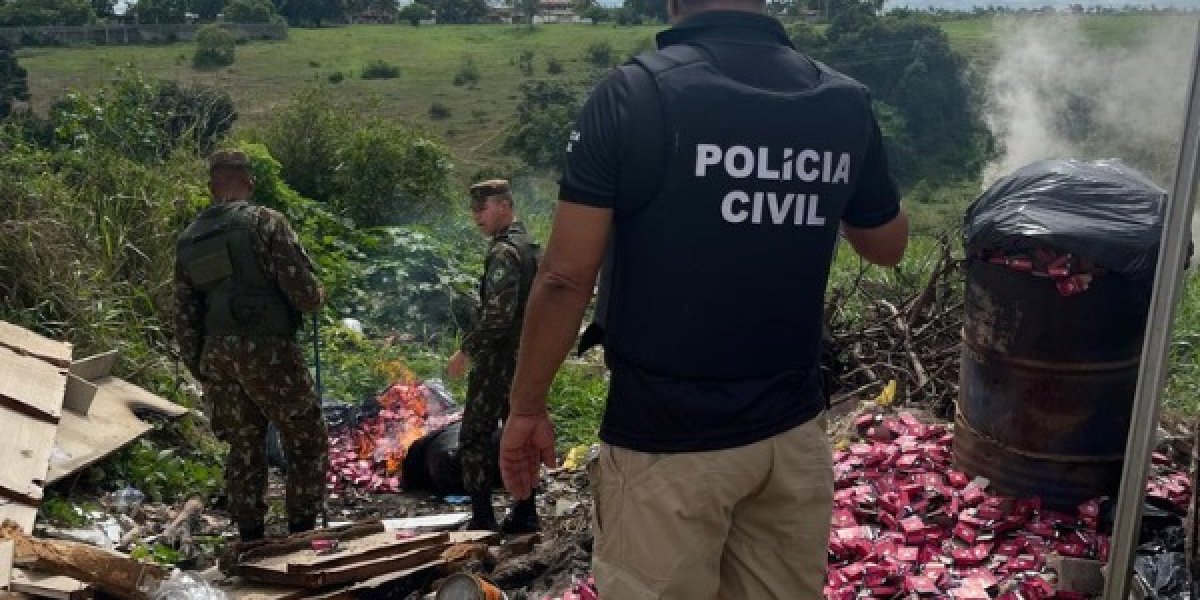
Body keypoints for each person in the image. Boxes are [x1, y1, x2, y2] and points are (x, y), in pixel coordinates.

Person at [497, 0, 909, 595]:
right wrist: (807, 179)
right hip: (790, 436)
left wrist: (528, 408)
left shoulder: (632, 96)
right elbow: (888, 245)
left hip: (666, 439)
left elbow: (564, 277)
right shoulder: (843, 101)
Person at [174, 150, 328, 542]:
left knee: (243, 446)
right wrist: (314, 295)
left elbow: (185, 314)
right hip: (267, 349)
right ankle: (301, 532)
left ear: (211, 187)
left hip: (217, 356)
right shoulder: (264, 222)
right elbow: (305, 293)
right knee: (305, 436)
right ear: (249, 182)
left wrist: (201, 366)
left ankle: (250, 536)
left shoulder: (190, 239)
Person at [447, 179, 541, 533]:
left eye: (481, 209)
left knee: (474, 434)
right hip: (526, 357)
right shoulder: (529, 245)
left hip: (498, 360)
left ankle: (483, 516)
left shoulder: (504, 252)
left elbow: (498, 315)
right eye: (473, 210)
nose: (476, 217)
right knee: (518, 432)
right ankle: (525, 509)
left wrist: (467, 350)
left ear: (504, 205)